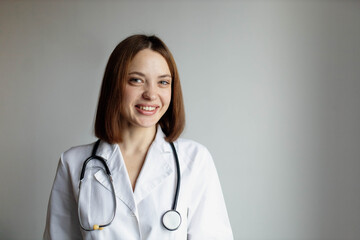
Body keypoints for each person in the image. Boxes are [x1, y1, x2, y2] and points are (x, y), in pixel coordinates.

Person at [43, 34, 233, 240]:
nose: (151, 94)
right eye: (136, 80)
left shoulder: (195, 159)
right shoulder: (73, 163)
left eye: (163, 82)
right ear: (114, 85)